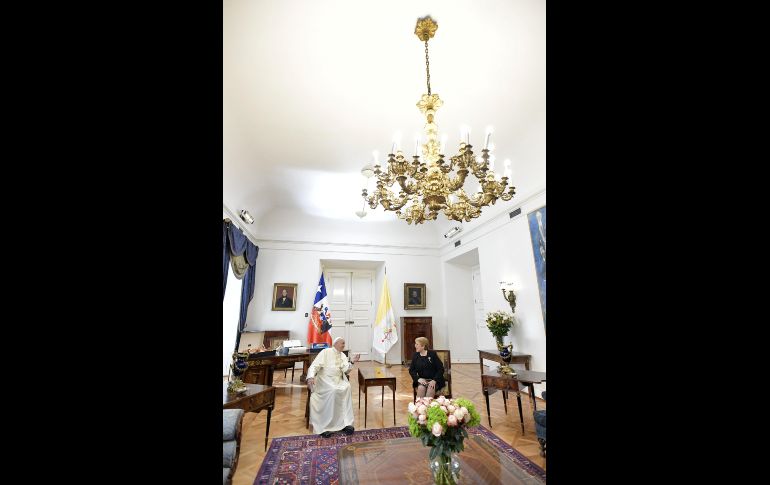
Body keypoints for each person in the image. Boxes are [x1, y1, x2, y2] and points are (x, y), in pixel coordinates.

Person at [306, 336, 361, 438]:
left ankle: (345, 423)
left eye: (344, 343)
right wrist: (310, 376)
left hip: (338, 380)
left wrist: (352, 362)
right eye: (342, 343)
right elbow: (314, 366)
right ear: (335, 344)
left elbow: (346, 370)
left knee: (347, 387)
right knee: (334, 390)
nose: (344, 345)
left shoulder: (343, 356)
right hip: (324, 379)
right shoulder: (325, 352)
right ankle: (325, 426)